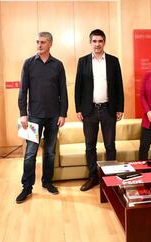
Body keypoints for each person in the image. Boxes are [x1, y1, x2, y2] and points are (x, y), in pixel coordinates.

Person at [16, 32, 68, 203]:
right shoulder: (29, 64)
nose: (39, 45)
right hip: (33, 117)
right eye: (37, 42)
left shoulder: (58, 65)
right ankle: (27, 187)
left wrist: (63, 113)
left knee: (50, 153)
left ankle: (47, 182)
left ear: (50, 44)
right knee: (30, 154)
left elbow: (63, 92)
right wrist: (22, 113)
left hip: (54, 117)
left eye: (43, 42)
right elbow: (23, 91)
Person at [75, 29, 124, 191]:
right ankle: (93, 177)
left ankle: (110, 179)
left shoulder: (113, 61)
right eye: (94, 41)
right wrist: (78, 109)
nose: (97, 44)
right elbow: (78, 87)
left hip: (108, 110)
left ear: (104, 42)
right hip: (89, 111)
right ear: (90, 43)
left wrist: (120, 108)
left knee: (110, 145)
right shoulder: (83, 61)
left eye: (100, 41)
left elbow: (118, 85)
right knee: (90, 146)